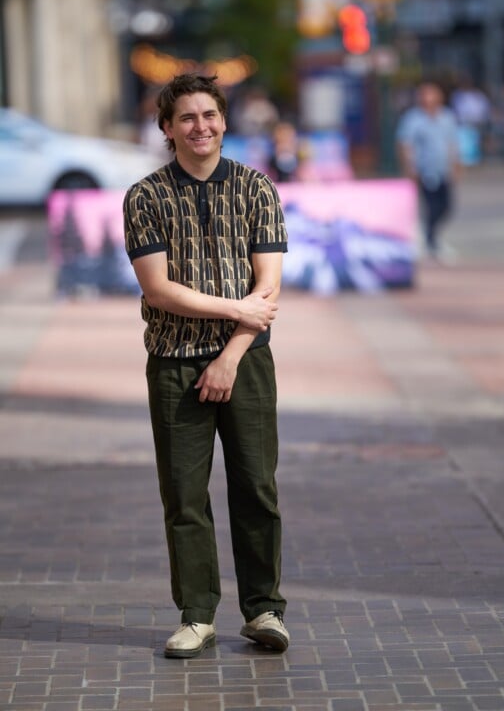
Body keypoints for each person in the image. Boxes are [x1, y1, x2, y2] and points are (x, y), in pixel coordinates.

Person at [123, 73, 289, 659]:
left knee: (256, 488)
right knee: (184, 495)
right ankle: (196, 616)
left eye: (210, 115)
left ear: (224, 119)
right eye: (187, 118)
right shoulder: (145, 196)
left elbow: (267, 290)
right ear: (167, 128)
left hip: (245, 362)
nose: (201, 126)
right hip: (172, 363)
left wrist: (230, 355)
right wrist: (233, 309)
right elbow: (160, 290)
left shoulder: (256, 189)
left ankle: (264, 609)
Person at [396, 81, 461, 260]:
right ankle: (431, 241)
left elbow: (452, 143)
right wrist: (410, 168)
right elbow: (406, 144)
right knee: (431, 206)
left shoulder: (447, 117)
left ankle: (431, 238)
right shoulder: (413, 119)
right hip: (425, 170)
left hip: (443, 169)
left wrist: (456, 165)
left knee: (446, 206)